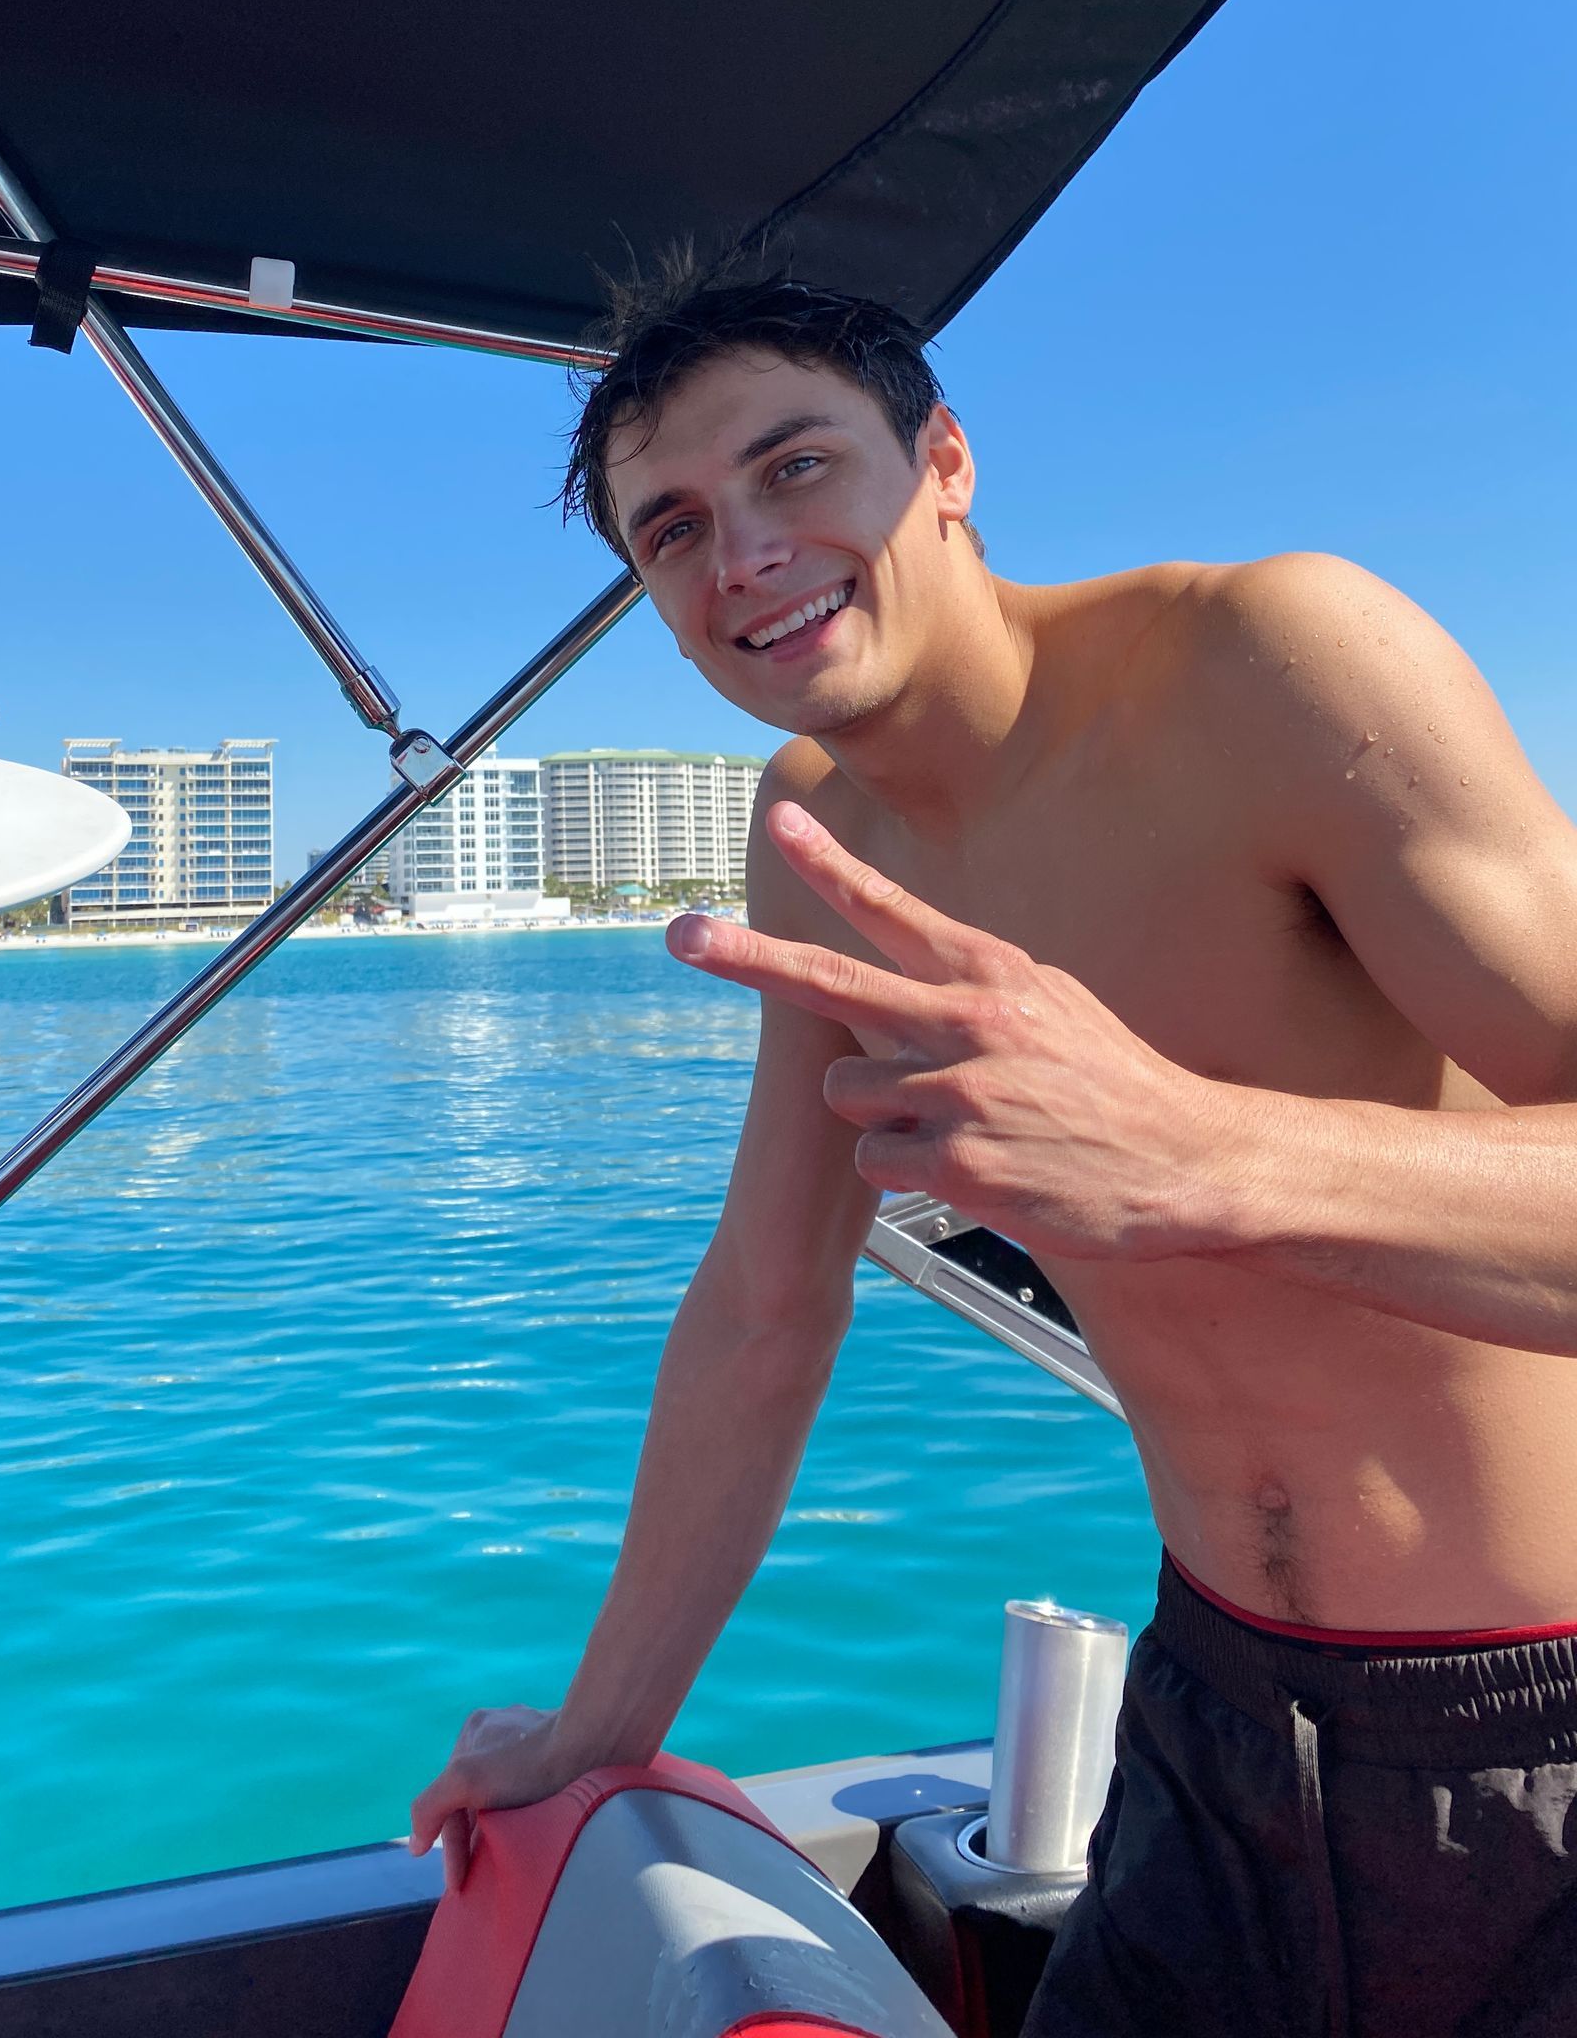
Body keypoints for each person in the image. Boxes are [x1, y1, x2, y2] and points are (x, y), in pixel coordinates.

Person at [408, 266, 1577, 2034]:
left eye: (796, 468)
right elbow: (763, 1308)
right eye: (673, 530)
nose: (744, 554)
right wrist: (597, 1729)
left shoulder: (1270, 663)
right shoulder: (812, 833)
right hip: (1219, 1728)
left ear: (943, 459)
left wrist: (1207, 1154)